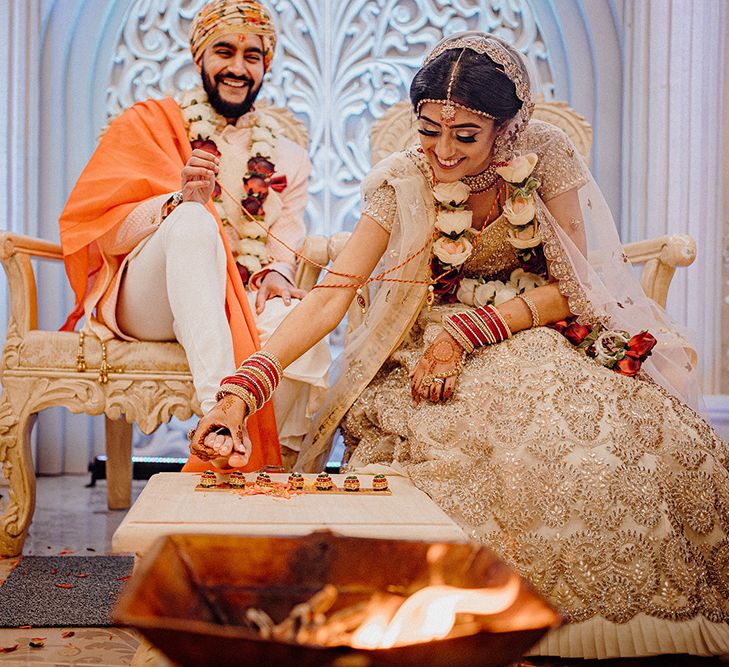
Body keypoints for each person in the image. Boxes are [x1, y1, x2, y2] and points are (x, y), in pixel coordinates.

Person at [190, 32, 729, 658]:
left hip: (536, 331)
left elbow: (576, 285)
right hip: (423, 354)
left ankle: (604, 621)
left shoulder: (546, 158)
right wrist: (240, 390)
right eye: (428, 131)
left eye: (465, 137)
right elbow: (329, 298)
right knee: (471, 443)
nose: (442, 153)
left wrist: (475, 329)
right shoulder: (401, 179)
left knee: (615, 433)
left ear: (507, 129)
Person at [57, 0, 330, 471]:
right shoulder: (149, 125)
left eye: (251, 56)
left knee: (297, 322)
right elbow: (106, 234)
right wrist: (175, 202)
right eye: (224, 51)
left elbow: (284, 240)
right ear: (199, 56)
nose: (237, 67)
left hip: (238, 298)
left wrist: (276, 272)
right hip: (146, 302)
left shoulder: (288, 156)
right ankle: (220, 417)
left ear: (265, 66)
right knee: (193, 219)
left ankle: (269, 469)